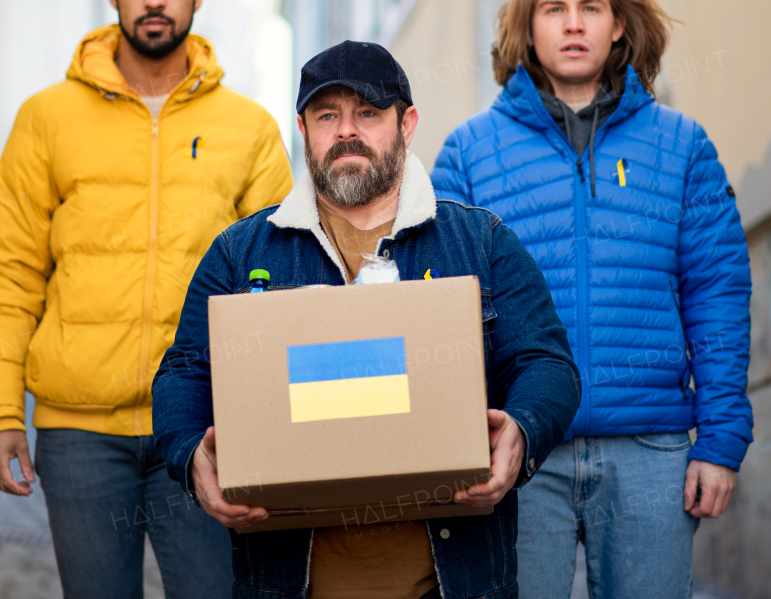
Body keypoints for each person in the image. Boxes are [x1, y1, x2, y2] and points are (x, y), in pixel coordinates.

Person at [152, 41, 581, 599]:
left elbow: (548, 364)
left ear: (407, 126)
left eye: (369, 113)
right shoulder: (239, 253)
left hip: (454, 582)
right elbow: (183, 372)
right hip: (290, 583)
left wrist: (522, 430)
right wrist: (192, 457)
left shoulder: (482, 243)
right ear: (304, 130)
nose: (346, 131)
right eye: (327, 115)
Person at [0, 0, 293, 599]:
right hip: (79, 431)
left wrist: (269, 422)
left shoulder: (250, 131)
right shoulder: (47, 119)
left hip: (205, 428)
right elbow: (12, 273)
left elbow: (279, 285)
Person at [431, 0, 753, 598]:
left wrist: (719, 440)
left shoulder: (681, 144)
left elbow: (716, 290)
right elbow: (440, 307)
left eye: (590, 8)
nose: (573, 24)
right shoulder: (468, 151)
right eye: (554, 9)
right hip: (517, 451)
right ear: (530, 28)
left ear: (619, 28)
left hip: (651, 448)